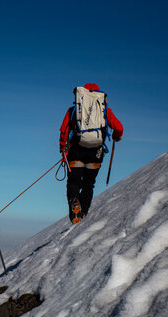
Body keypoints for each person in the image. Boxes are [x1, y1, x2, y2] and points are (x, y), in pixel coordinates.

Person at [59, 83, 124, 224]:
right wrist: (116, 136)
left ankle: (74, 203)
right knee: (89, 184)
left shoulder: (73, 110)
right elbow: (119, 127)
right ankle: (83, 213)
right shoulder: (104, 110)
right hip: (96, 152)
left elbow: (64, 131)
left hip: (76, 150)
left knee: (74, 182)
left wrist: (63, 149)